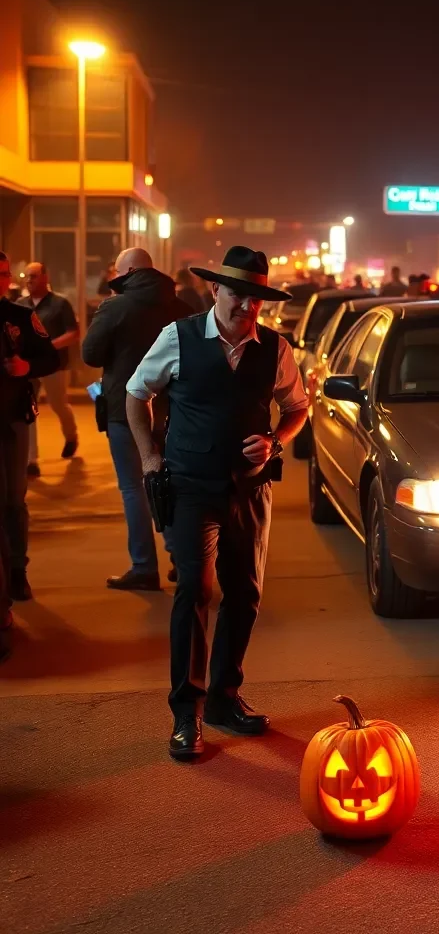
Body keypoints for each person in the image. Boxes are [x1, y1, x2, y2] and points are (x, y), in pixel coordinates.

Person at [126, 246, 308, 760]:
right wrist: (149, 458)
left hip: (249, 489)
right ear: (216, 290)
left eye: (255, 298)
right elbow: (136, 394)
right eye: (237, 294)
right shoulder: (178, 337)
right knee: (194, 590)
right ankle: (188, 712)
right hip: (189, 484)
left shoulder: (275, 348)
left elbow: (297, 406)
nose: (246, 306)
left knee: (245, 594)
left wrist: (275, 439)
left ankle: (226, 698)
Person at [82, 248, 191, 592]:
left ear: (127, 271)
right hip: (175, 411)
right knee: (170, 483)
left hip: (124, 411)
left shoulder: (116, 306)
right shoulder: (181, 307)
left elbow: (90, 354)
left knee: (134, 488)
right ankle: (182, 559)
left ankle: (144, 567)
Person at [0, 251, 60, 622]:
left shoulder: (19, 317)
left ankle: (17, 573)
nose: (2, 280)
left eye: (4, 274)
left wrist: (26, 367)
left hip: (11, 423)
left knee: (12, 502)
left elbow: (52, 359)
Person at [18, 262, 80, 473]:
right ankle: (31, 460)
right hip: (29, 366)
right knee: (29, 408)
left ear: (45, 277)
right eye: (27, 276)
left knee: (58, 405)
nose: (29, 280)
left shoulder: (60, 304)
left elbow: (74, 333)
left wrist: (48, 346)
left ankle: (71, 435)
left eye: (33, 276)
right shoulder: (20, 305)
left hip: (54, 365)